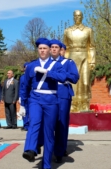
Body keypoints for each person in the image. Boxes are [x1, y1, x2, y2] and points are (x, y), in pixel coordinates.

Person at [21, 38, 66, 169]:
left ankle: (46, 164)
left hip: (51, 100)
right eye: (40, 48)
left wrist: (47, 72)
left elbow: (64, 77)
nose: (42, 51)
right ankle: (30, 150)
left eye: (45, 48)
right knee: (34, 122)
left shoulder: (57, 64)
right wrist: (23, 104)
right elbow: (25, 86)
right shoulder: (31, 66)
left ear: (49, 50)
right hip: (35, 98)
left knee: (48, 133)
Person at [49, 39, 79, 163]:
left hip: (62, 94)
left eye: (58, 48)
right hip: (49, 94)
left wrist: (62, 75)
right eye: (53, 47)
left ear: (62, 50)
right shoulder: (46, 62)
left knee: (61, 123)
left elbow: (75, 77)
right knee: (49, 123)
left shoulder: (68, 62)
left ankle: (60, 151)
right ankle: (50, 148)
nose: (56, 50)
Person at [63, 10, 96, 112]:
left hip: (85, 56)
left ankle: (84, 104)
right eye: (76, 16)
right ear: (73, 17)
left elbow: (91, 47)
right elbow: (65, 47)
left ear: (82, 17)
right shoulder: (67, 31)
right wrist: (64, 61)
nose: (77, 18)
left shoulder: (88, 30)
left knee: (85, 81)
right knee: (73, 82)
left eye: (79, 16)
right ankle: (73, 104)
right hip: (72, 56)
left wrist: (92, 61)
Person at [18, 62, 29, 131]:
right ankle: (25, 125)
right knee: (23, 112)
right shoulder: (22, 77)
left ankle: (29, 125)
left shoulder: (32, 76)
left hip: (30, 96)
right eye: (25, 67)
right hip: (23, 96)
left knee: (30, 112)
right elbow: (21, 87)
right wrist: (19, 96)